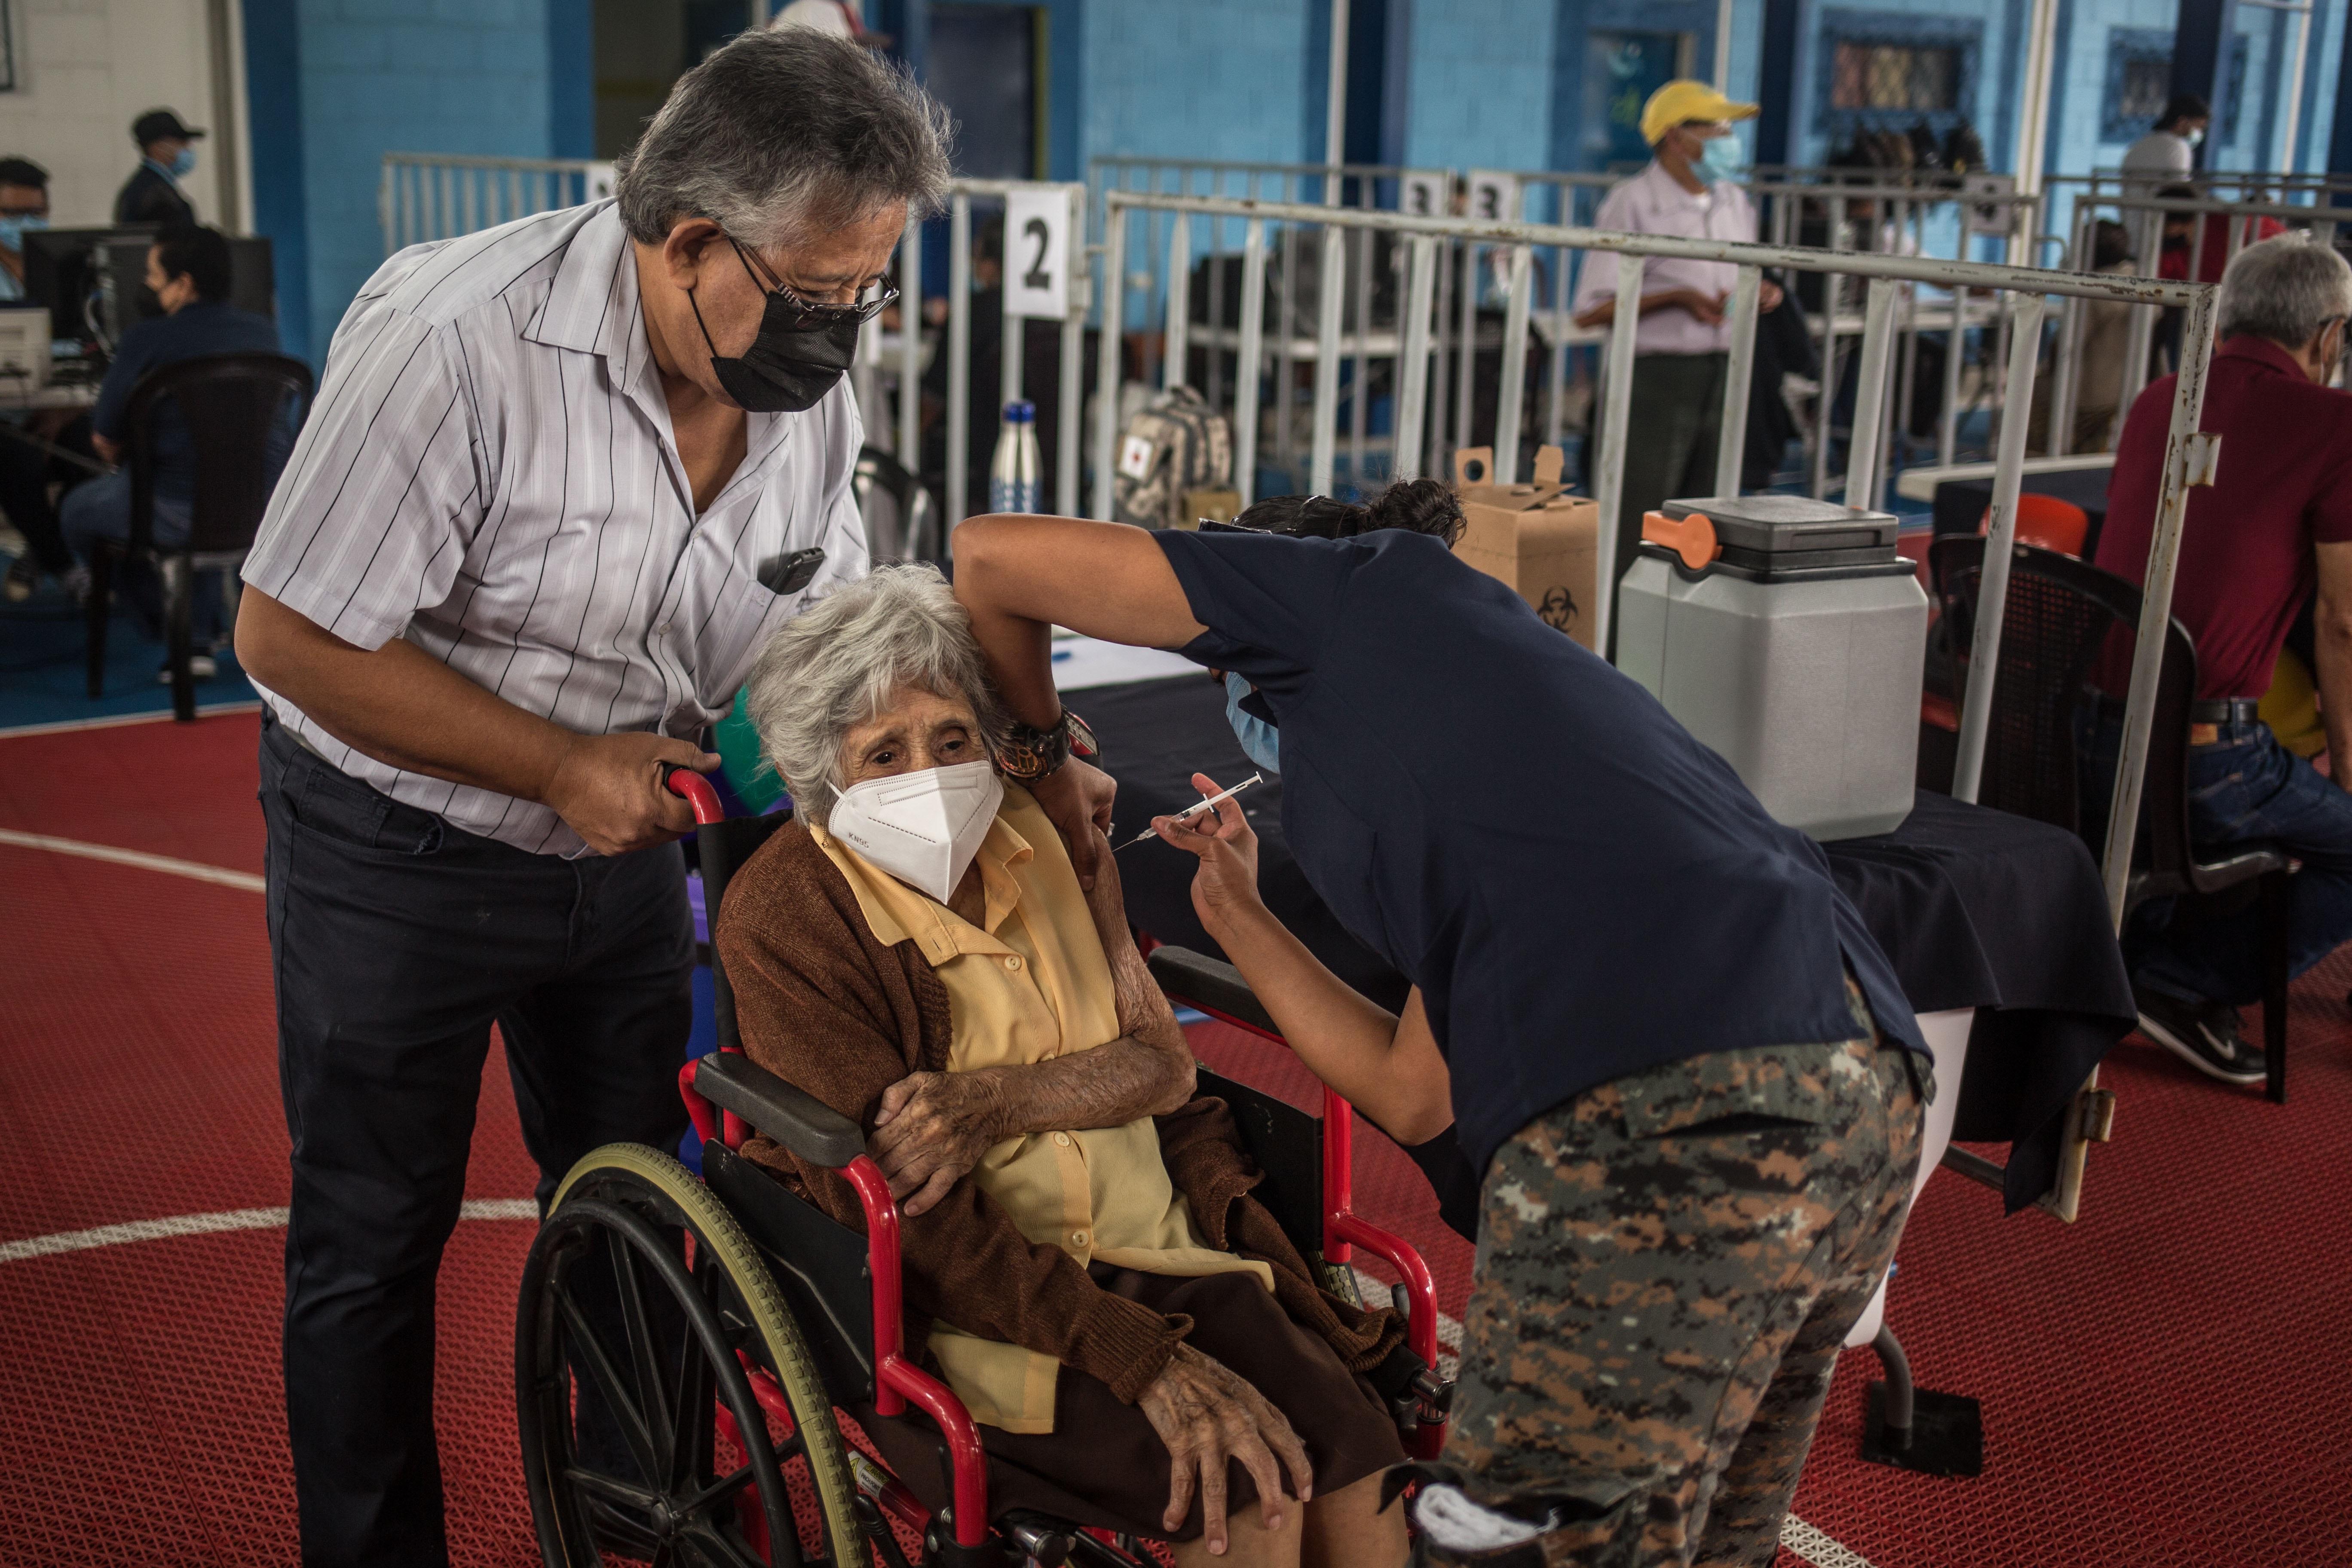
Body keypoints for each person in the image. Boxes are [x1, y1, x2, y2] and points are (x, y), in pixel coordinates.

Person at [230, 30, 947, 1567]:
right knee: (371, 1239)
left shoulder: (800, 374)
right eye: (824, 296)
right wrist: (558, 762)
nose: (846, 336)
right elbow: (286, 634)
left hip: (631, 847)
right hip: (395, 853)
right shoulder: (456, 344)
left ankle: (640, 1500)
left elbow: (792, 637)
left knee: (643, 1195)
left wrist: (941, 761)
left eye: (870, 291)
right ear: (687, 243)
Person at [939, 481, 1932, 1568]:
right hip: (1862, 1088)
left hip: (1667, 1115)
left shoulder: (1346, 589)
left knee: (1514, 1548)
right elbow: (1415, 1089)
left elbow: (990, 560)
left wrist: (1038, 766)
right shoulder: (1491, 718)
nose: (1226, 691)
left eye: (1221, 667)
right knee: (1689, 1543)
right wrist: (1240, 915)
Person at [718, 565, 1417, 1566]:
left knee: (1360, 1463)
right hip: (987, 1311)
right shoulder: (790, 913)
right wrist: (1134, 1358)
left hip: (1156, 1242)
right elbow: (922, 1221)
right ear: (821, 778)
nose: (927, 773)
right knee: (1252, 1493)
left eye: (951, 739)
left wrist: (987, 1100)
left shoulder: (1042, 832)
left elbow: (1159, 1069)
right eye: (883, 753)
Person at [2089, 234, 2352, 1085]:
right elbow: (2345, 621)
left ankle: (2141, 956)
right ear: (2331, 337)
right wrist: (2350, 767)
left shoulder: (2159, 397)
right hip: (2207, 763)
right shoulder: (2334, 425)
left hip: (2087, 737)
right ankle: (2181, 983)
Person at [1571, 80, 1785, 634]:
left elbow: (1744, 273)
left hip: (1724, 376)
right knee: (1641, 519)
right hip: (1656, 383)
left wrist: (1761, 293)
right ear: (1675, 137)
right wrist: (1675, 299)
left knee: (1710, 523)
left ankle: (1689, 641)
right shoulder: (1632, 202)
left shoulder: (1735, 203)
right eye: (1715, 129)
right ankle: (1619, 643)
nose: (1727, 141)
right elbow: (1589, 310)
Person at [60, 225, 282, 679]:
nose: (147, 285)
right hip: (262, 507)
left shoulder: (146, 339)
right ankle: (202, 634)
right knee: (197, 492)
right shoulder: (265, 333)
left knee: (78, 512)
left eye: (153, 275)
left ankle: (170, 630)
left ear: (183, 283)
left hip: (171, 510)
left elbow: (104, 438)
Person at [0, 154, 93, 603]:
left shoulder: (63, 269)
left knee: (91, 445)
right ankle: (63, 565)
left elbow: (82, 343)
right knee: (15, 460)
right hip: (6, 418)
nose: (26, 223)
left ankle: (44, 546)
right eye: (13, 214)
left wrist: (63, 408)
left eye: (36, 213)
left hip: (53, 405)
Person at [115, 109, 203, 228]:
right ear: (159, 147)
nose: (188, 149)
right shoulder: (155, 194)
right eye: (181, 143)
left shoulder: (149, 186)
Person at [2122, 95, 2210, 188]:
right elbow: (2180, 189)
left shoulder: (2138, 145)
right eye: (2198, 127)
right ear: (2182, 121)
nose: (2199, 133)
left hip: (2130, 202)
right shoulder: (2179, 148)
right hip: (2159, 202)